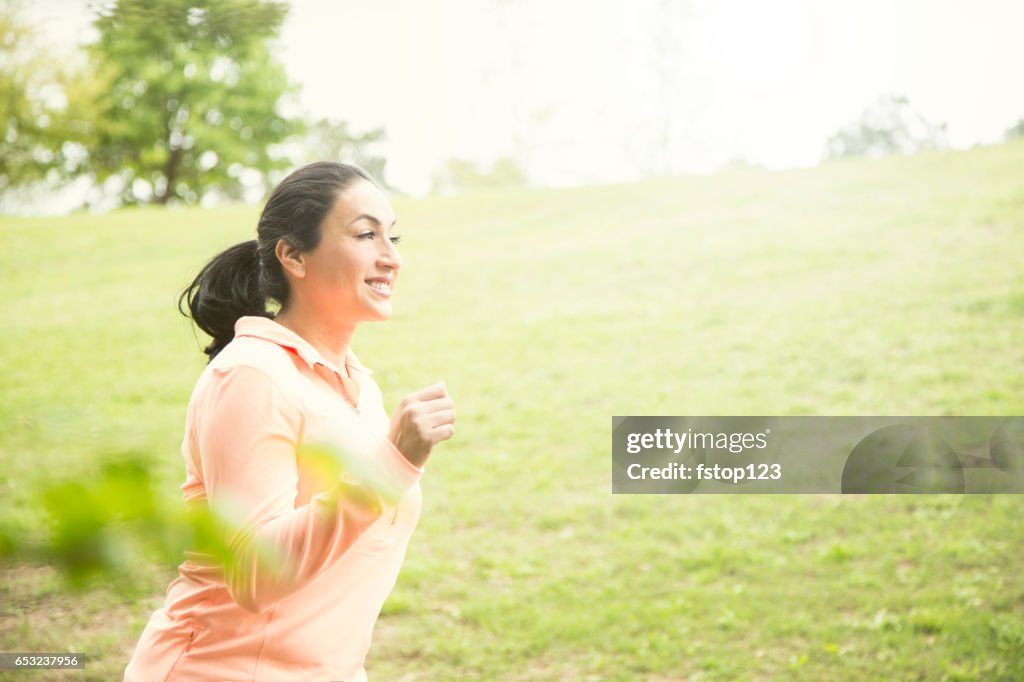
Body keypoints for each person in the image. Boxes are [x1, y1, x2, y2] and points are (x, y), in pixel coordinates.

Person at [124, 162, 456, 681]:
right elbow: (255, 576)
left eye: (392, 237)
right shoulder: (251, 376)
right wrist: (390, 465)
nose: (391, 258)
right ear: (293, 255)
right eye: (366, 234)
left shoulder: (357, 387)